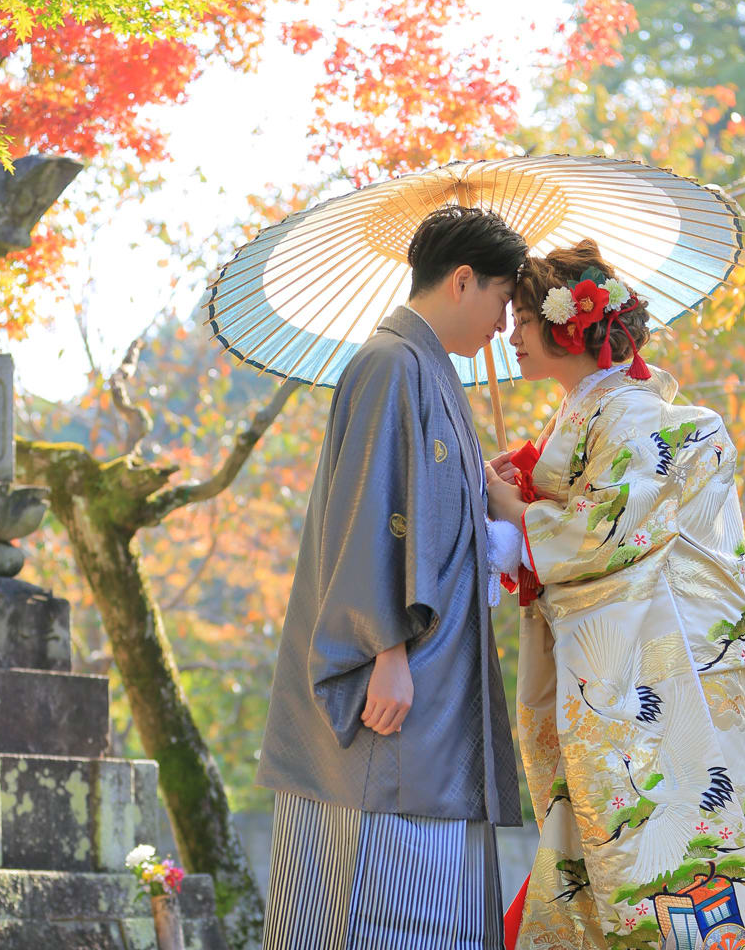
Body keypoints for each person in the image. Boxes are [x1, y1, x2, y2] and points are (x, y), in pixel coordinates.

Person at [486, 241, 745, 950]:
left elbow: (603, 532)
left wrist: (515, 515)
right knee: (604, 831)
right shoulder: (597, 413)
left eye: (525, 318)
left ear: (568, 326)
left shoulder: (634, 415)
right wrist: (519, 501)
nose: (511, 335)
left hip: (671, 665)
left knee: (663, 831)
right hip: (636, 658)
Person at [256, 205, 526, 950]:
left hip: (430, 678)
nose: (504, 327)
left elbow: (425, 508)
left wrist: (478, 486)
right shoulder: (389, 363)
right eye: (503, 301)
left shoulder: (424, 369)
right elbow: (367, 513)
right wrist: (387, 652)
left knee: (424, 898)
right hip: (402, 675)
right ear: (463, 281)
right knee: (385, 899)